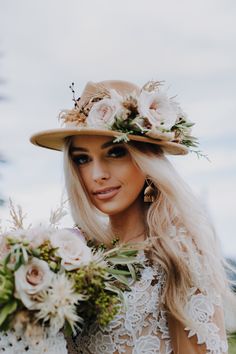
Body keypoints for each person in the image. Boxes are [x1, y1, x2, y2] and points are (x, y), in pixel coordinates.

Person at [29, 79, 234, 354]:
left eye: (115, 152)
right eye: (82, 159)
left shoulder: (176, 256)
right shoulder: (72, 256)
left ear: (147, 160)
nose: (96, 175)